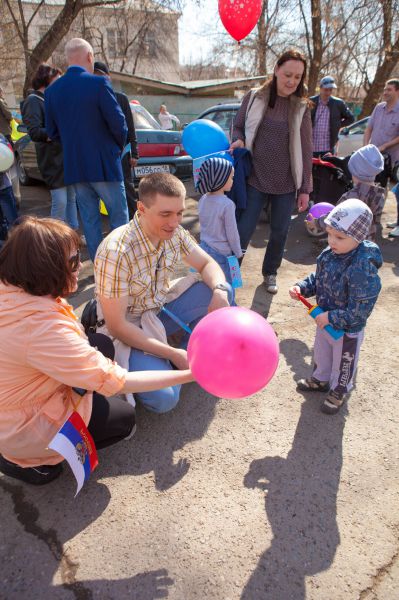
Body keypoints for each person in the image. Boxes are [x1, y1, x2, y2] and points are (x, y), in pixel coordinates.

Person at [0, 216, 193, 486]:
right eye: (72, 261)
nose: (80, 266)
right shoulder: (41, 329)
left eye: (79, 257)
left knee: (100, 345)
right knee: (124, 419)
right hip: (21, 424)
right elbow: (117, 381)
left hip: (19, 390)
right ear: (43, 267)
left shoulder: (15, 290)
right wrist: (190, 374)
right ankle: (25, 460)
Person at [94, 172, 232, 415]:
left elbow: (207, 264)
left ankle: (190, 357)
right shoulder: (116, 251)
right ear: (142, 208)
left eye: (179, 213)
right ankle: (172, 360)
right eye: (165, 214)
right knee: (165, 400)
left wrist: (220, 290)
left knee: (221, 292)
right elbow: (117, 326)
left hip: (158, 311)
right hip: (129, 330)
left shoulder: (173, 232)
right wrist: (172, 354)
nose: (174, 221)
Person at [230, 49, 313, 294]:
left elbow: (306, 149)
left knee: (280, 231)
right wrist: (238, 140)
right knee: (243, 231)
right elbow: (237, 126)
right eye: (287, 74)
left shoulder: (301, 107)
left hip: (286, 183)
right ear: (276, 69)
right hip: (254, 177)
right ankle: (232, 273)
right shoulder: (255, 97)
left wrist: (305, 188)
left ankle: (270, 273)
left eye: (297, 77)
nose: (291, 81)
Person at [289, 199, 382, 415]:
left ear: (358, 237)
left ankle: (339, 390)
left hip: (347, 329)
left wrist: (332, 318)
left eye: (339, 237)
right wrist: (302, 287)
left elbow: (360, 308)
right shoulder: (330, 254)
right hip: (324, 319)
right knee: (322, 353)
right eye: (329, 234)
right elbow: (319, 277)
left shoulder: (362, 266)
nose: (331, 240)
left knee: (344, 361)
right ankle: (320, 379)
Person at [44, 38, 129, 262]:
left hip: (76, 167)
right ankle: (122, 266)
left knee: (89, 221)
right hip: (105, 164)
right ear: (90, 57)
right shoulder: (99, 84)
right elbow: (119, 124)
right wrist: (115, 150)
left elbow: (51, 132)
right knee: (119, 220)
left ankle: (99, 267)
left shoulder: (52, 92)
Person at [21, 64, 79, 231]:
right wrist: (61, 131)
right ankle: (55, 237)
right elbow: (34, 132)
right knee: (60, 201)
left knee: (71, 199)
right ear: (46, 79)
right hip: (52, 160)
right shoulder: (33, 100)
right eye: (57, 79)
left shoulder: (51, 99)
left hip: (64, 158)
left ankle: (72, 235)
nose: (60, 83)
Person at [307, 144, 385, 242]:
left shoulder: (350, 197)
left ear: (355, 172)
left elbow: (334, 219)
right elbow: (376, 220)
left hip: (348, 245)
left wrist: (316, 223)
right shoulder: (380, 194)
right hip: (368, 242)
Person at [93, 61, 139, 219]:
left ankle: (135, 221)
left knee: (127, 189)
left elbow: (130, 127)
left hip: (122, 153)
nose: (98, 79)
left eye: (101, 75)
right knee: (104, 192)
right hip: (100, 154)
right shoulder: (90, 99)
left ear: (108, 77)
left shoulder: (120, 98)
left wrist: (135, 153)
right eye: (95, 76)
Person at [196, 156, 242, 286]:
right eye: (231, 178)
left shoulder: (203, 199)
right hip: (221, 253)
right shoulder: (227, 204)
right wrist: (238, 252)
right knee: (224, 285)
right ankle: (226, 306)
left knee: (208, 284)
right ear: (220, 179)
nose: (233, 181)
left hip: (204, 249)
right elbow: (232, 233)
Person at [364, 79, 399, 238]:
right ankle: (372, 218)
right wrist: (366, 147)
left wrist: (385, 146)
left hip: (394, 159)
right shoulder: (379, 108)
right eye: (385, 89)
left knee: (397, 192)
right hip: (374, 158)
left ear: (397, 91)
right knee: (376, 188)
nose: (385, 92)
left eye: (389, 89)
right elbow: (369, 128)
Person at [310, 76, 354, 157]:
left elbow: (351, 118)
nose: (328, 93)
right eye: (326, 90)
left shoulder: (338, 103)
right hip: (310, 147)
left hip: (328, 148)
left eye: (330, 90)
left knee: (327, 169)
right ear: (320, 88)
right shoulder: (311, 101)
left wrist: (337, 125)